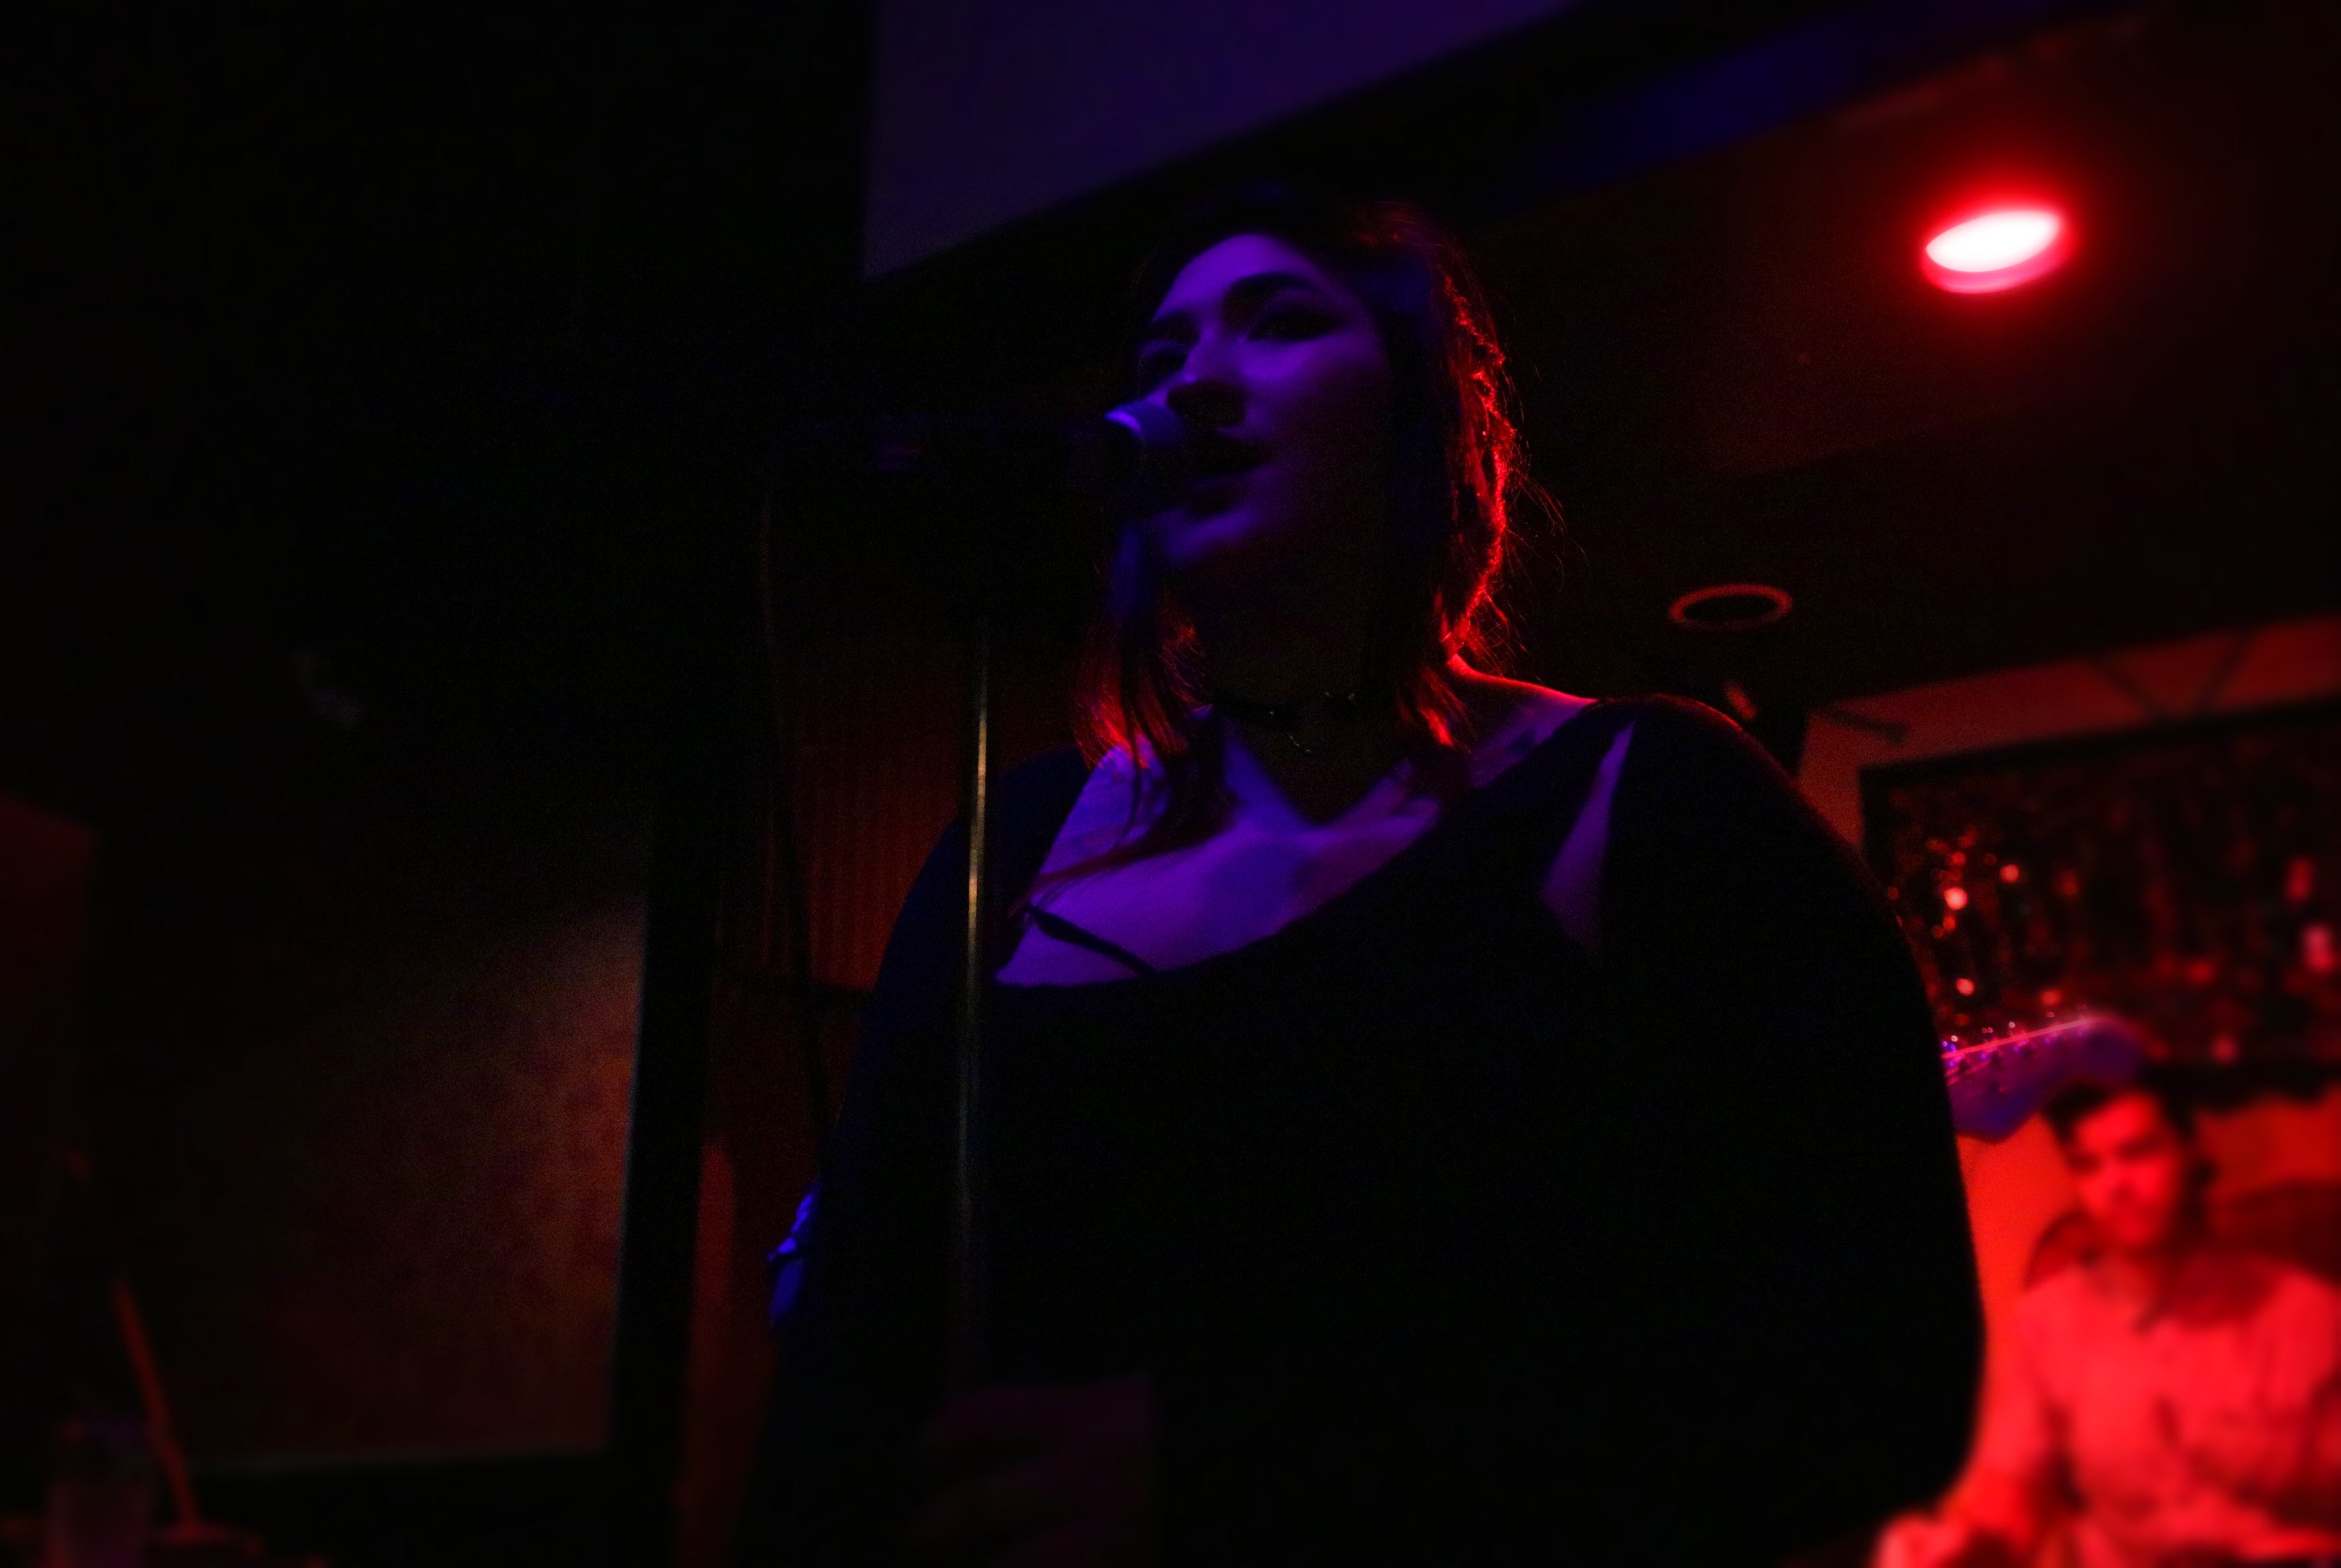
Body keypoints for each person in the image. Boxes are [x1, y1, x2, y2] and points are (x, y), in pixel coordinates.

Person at [740, 187, 1982, 1566]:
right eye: (1160, 358)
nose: (1196, 383)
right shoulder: (1017, 844)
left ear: (1420, 421)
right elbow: (853, 1362)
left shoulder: (1654, 799)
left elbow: (1873, 1357)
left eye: (1278, 323)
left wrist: (1240, 1463)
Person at [1875, 1072, 2341, 1568]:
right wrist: (1958, 1550)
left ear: (2193, 1150)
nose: (2115, 1185)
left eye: (2138, 1152)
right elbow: (2013, 1496)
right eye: (2088, 1164)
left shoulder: (2304, 1311)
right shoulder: (2049, 1322)